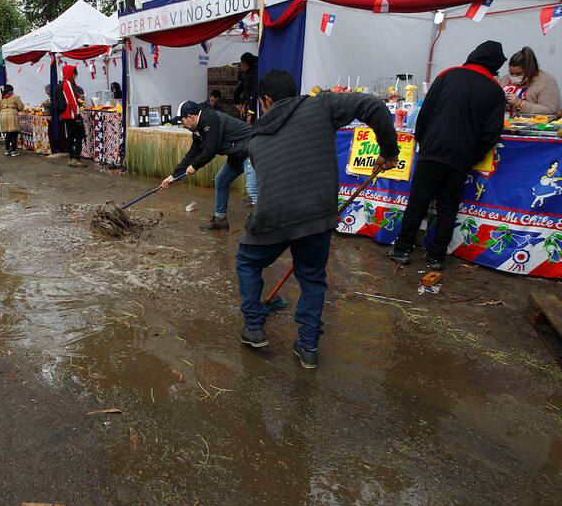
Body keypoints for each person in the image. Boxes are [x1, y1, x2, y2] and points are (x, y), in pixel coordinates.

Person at [237, 69, 399, 369]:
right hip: (316, 216)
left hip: (273, 216)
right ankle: (308, 346)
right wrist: (389, 150)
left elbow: (268, 180)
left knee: (247, 261)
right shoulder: (320, 105)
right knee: (311, 277)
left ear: (266, 100)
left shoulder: (256, 137)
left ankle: (254, 327)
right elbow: (373, 105)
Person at [388, 40, 507, 271]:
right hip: (461, 157)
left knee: (417, 203)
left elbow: (425, 113)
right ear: (496, 64)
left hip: (432, 150)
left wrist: (423, 141)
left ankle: (402, 249)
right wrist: (472, 156)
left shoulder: (447, 75)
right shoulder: (495, 90)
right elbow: (492, 133)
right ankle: (436, 257)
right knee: (448, 207)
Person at [160, 100, 257, 230]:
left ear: (190, 117)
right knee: (221, 180)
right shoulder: (198, 130)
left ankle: (269, 225)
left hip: (251, 149)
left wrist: (194, 166)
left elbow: (210, 151)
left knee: (252, 188)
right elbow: (192, 154)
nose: (182, 125)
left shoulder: (210, 119)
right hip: (237, 153)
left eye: (182, 121)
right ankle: (220, 220)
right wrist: (173, 176)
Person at [501, 46, 561, 115]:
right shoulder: (506, 78)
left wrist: (520, 104)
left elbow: (551, 110)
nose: (514, 77)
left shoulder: (546, 81)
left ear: (530, 70)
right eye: (511, 73)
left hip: (530, 121)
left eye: (518, 73)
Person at [60, 64, 85, 167]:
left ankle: (71, 158)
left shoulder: (64, 83)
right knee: (78, 136)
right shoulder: (68, 83)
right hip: (72, 115)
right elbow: (72, 101)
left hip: (67, 115)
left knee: (70, 137)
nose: (75, 76)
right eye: (74, 74)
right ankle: (76, 158)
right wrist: (77, 113)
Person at [0, 84, 24, 157]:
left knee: (8, 134)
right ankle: (13, 151)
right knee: (14, 134)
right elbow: (20, 107)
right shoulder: (15, 96)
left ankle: (7, 150)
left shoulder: (0, 97)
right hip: (12, 115)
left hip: (3, 115)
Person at [234, 52, 259, 123]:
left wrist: (250, 113)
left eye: (241, 63)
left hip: (254, 110)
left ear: (245, 63)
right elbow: (241, 90)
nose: (241, 66)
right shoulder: (248, 73)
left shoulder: (254, 74)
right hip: (249, 108)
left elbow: (253, 95)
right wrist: (239, 104)